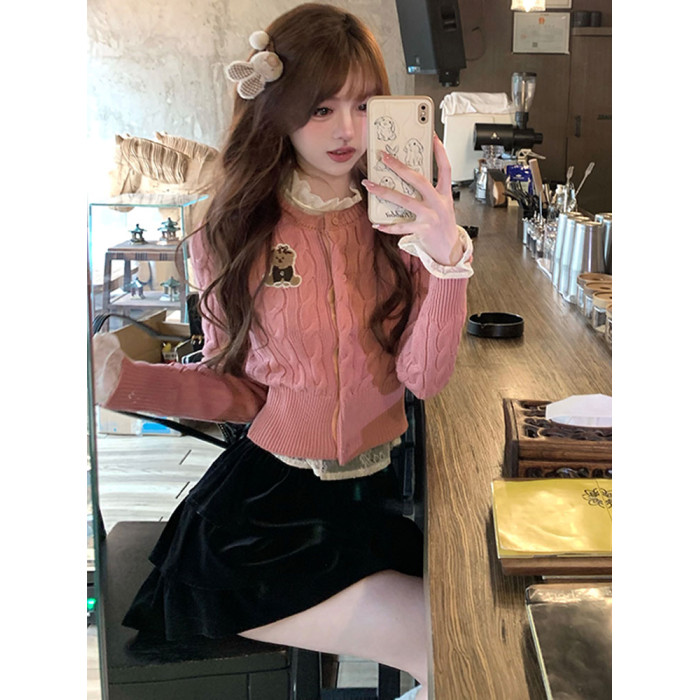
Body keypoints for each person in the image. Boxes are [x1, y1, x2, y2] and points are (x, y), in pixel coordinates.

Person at [92, 5, 473, 699]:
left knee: (472, 625)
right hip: (264, 519)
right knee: (447, 646)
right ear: (279, 108)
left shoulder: (400, 223)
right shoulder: (235, 228)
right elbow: (237, 390)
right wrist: (120, 381)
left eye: (363, 105)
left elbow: (422, 377)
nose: (348, 130)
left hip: (372, 497)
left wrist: (446, 260)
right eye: (321, 108)